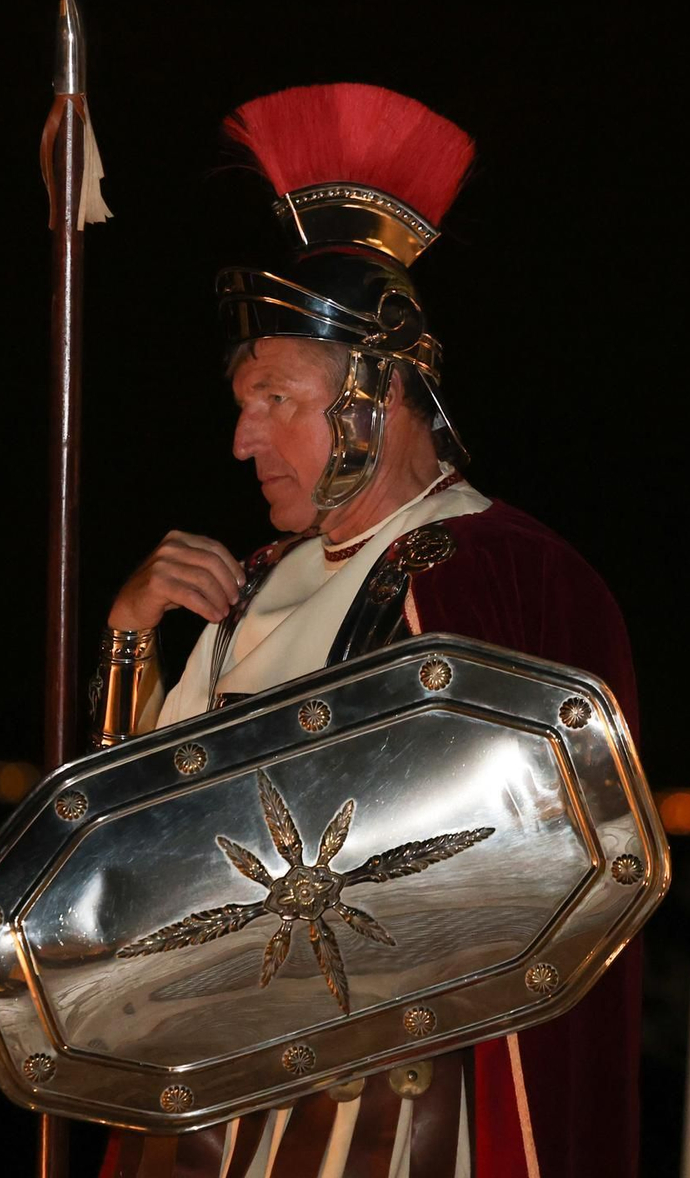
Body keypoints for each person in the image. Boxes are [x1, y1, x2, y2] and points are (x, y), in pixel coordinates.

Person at [94, 83, 643, 1178]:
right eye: (241, 401)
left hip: (386, 1129)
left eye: (274, 399)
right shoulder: (246, 585)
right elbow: (120, 861)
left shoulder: (502, 574)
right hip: (210, 1112)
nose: (243, 438)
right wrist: (127, 639)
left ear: (373, 396)